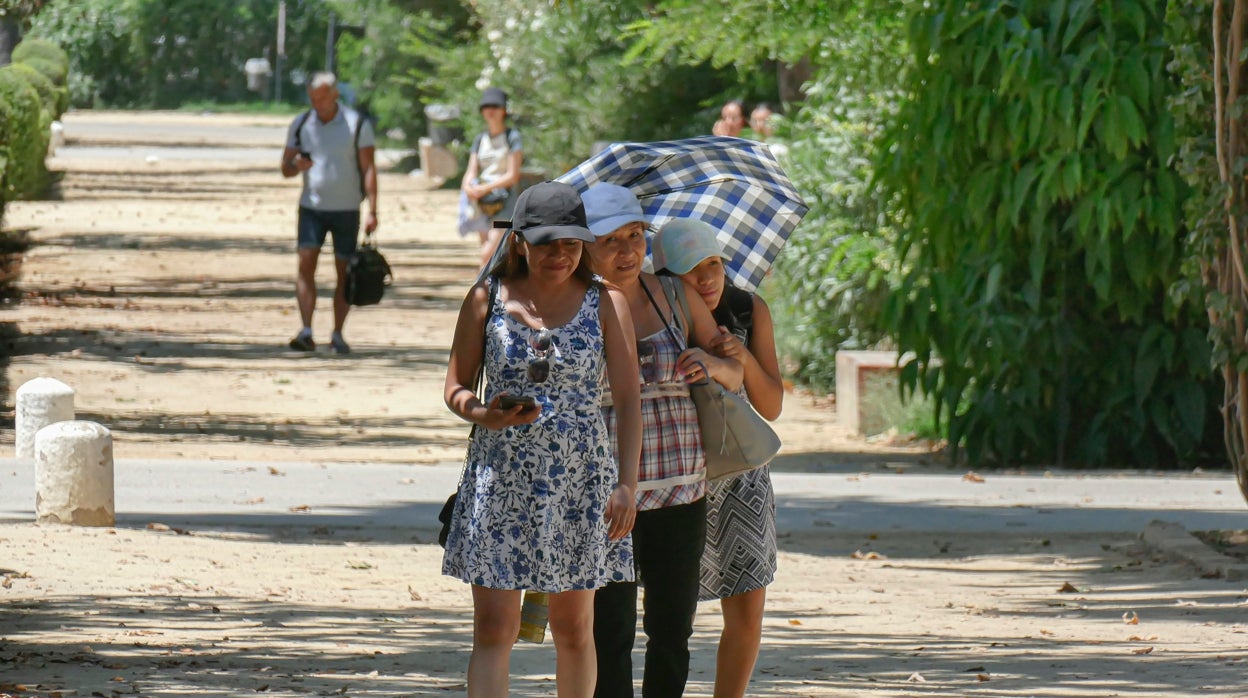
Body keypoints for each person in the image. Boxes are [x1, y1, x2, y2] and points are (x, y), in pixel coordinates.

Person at [442, 181, 642, 698]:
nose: (560, 254)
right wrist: (485, 414)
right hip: (501, 477)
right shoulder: (485, 299)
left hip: (581, 482)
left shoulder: (606, 302)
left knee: (575, 631)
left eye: (571, 243)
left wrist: (627, 485)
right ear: (519, 242)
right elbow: (455, 387)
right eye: (548, 242)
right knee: (494, 629)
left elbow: (627, 399)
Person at [580, 183, 744, 698]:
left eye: (636, 236)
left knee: (672, 629)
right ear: (584, 245)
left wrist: (713, 363)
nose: (628, 251)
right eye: (612, 241)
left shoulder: (674, 294)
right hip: (607, 494)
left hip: (682, 488)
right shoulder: (574, 308)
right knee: (609, 632)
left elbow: (736, 373)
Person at [651, 218, 784, 698]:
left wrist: (742, 360)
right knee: (669, 611)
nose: (706, 280)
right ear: (665, 276)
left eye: (713, 265)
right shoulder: (650, 312)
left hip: (741, 475)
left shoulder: (748, 308)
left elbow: (771, 405)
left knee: (747, 608)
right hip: (670, 474)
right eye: (690, 271)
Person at [280, 71, 378, 355]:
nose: (317, 102)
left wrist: (373, 209)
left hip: (347, 208)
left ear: (335, 94)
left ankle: (337, 333)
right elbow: (285, 167)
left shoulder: (356, 124)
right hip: (311, 207)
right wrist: (295, 164)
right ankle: (306, 330)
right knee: (305, 263)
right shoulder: (301, 124)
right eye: (312, 97)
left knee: (344, 272)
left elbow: (369, 167)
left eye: (321, 96)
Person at [458, 87, 524, 270]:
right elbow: (471, 170)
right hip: (482, 204)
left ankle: (479, 291)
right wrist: (468, 187)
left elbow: (513, 175)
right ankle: (490, 292)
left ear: (504, 110)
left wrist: (486, 188)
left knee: (489, 252)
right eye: (486, 107)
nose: (491, 111)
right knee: (488, 249)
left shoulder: (512, 137)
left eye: (495, 106)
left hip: (506, 205)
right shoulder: (480, 139)